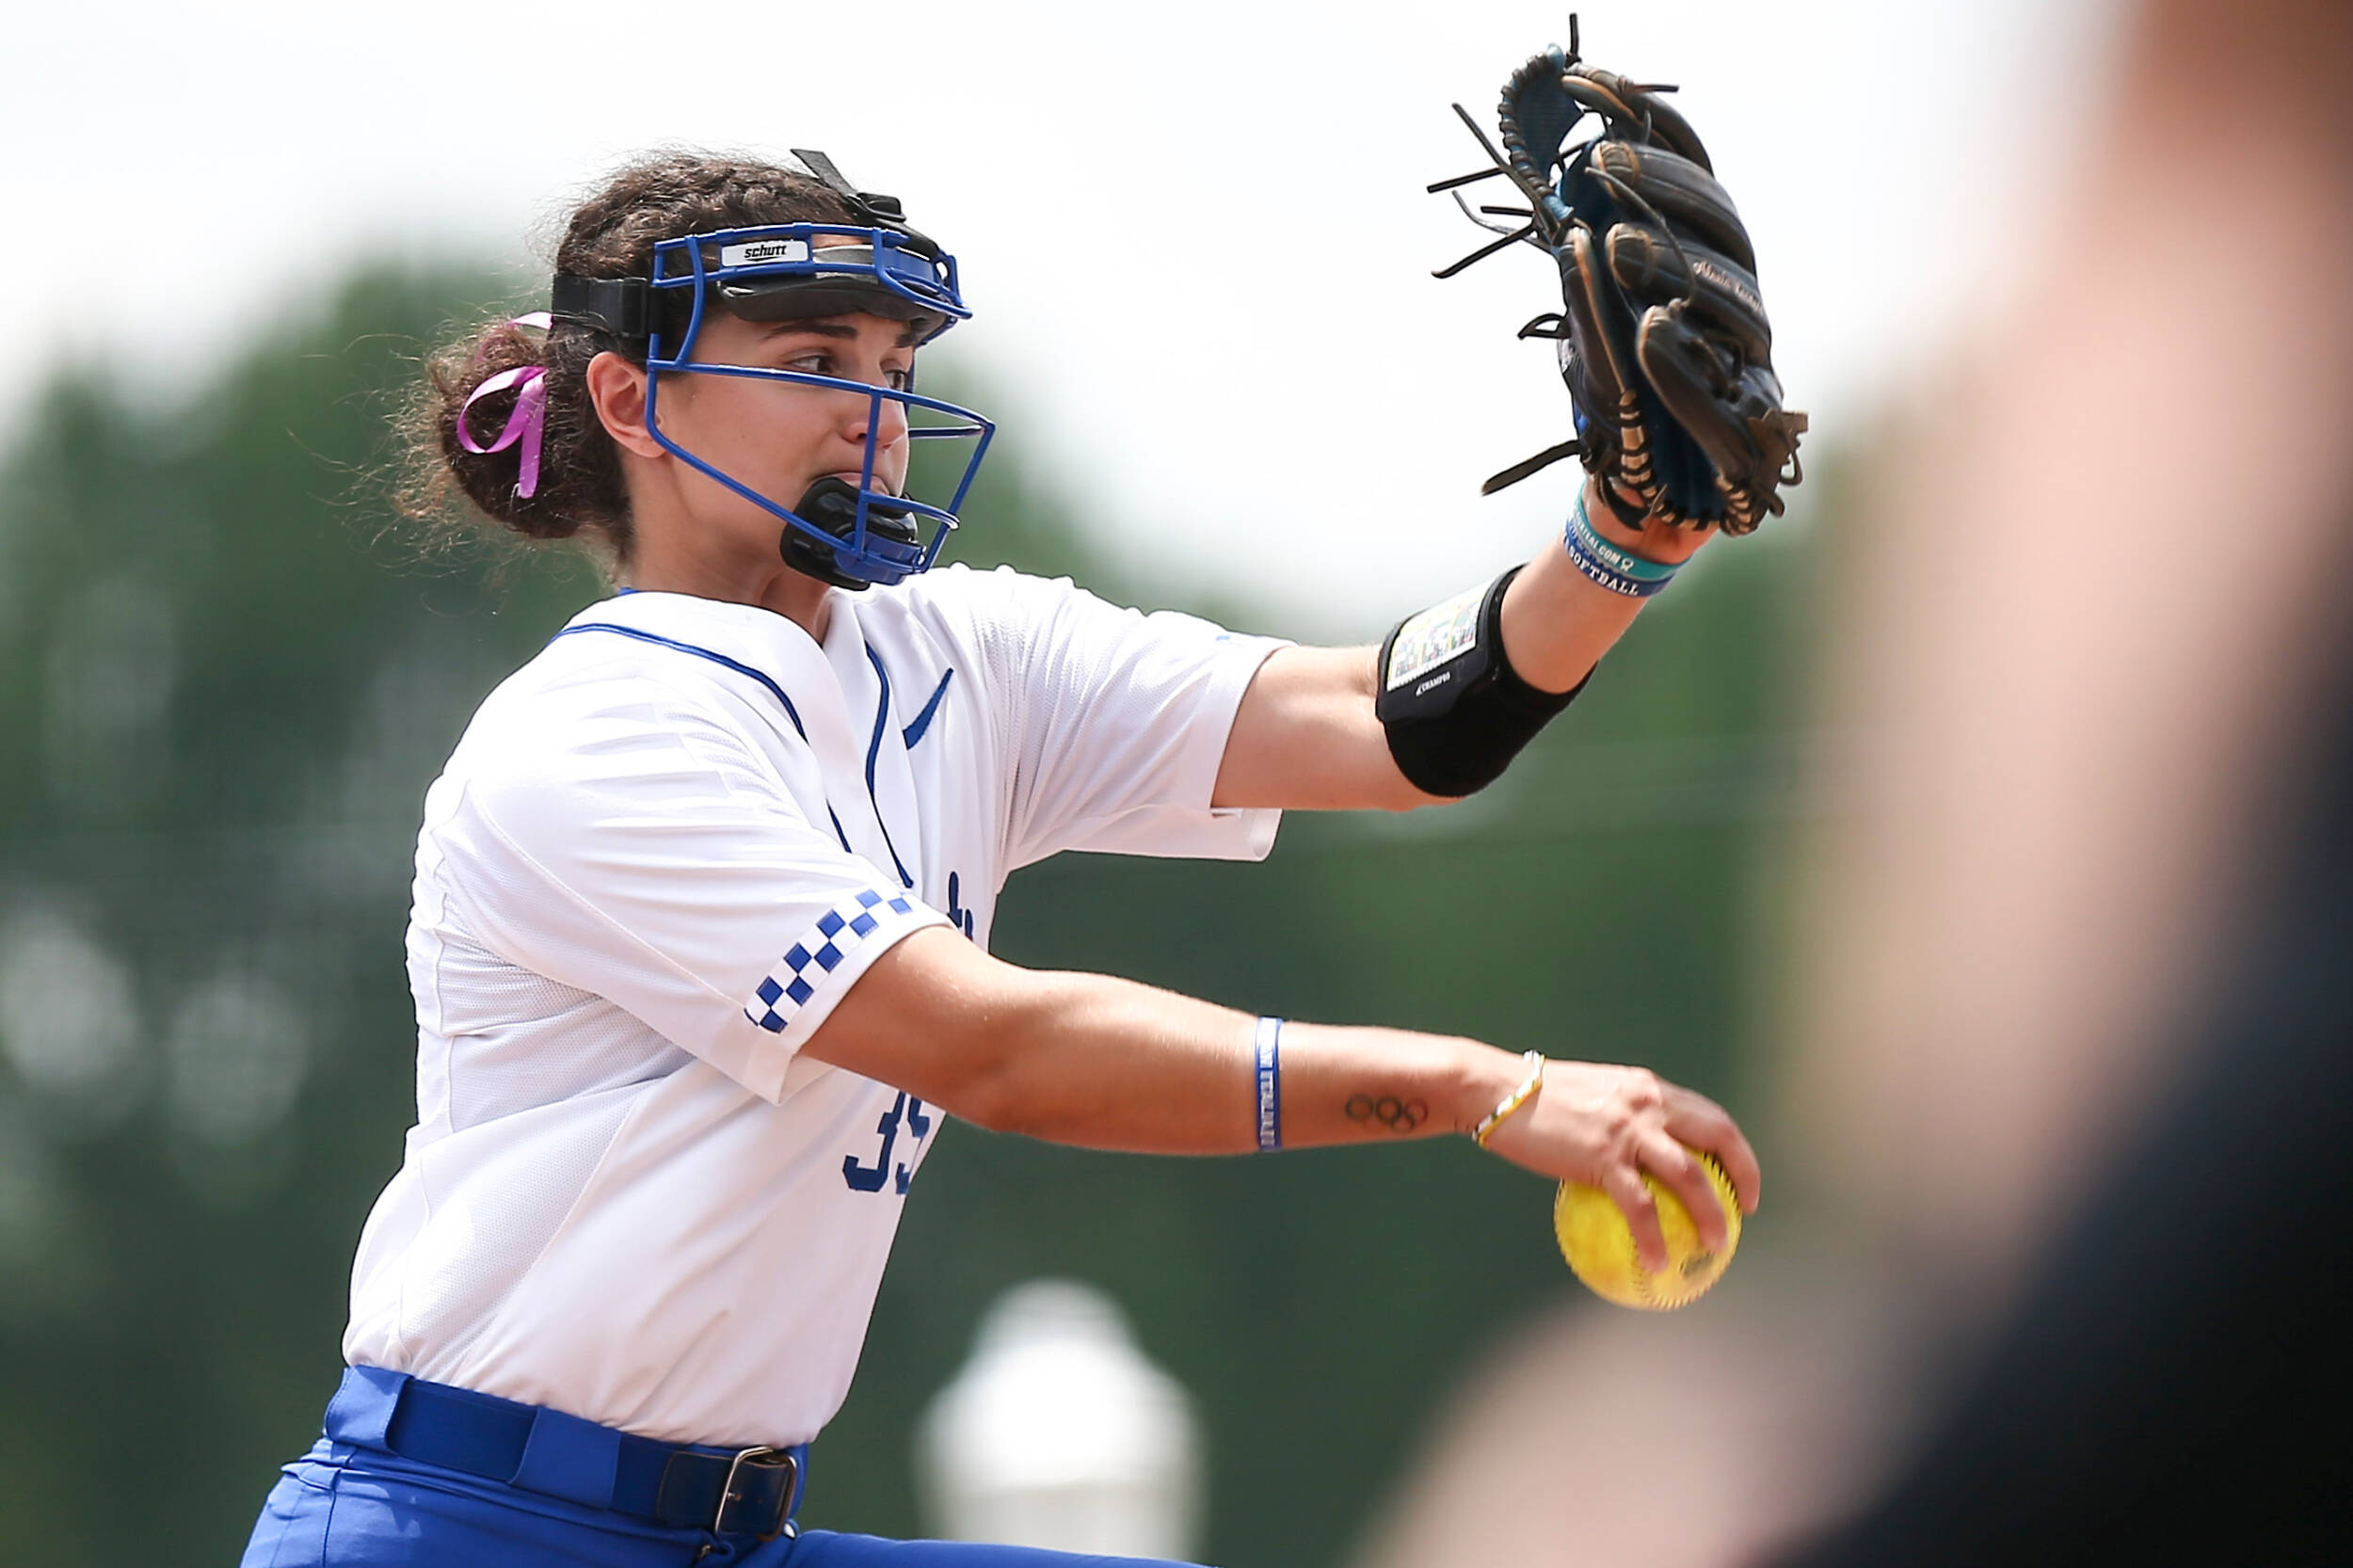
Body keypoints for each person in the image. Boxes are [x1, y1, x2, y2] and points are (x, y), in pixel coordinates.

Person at [239, 149, 1760, 1568]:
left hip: (725, 1530)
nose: (875, 407)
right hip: (466, 1525)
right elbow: (998, 1051)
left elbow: (1396, 722)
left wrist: (1623, 535)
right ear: (632, 402)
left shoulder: (963, 656)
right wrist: (1482, 1088)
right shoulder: (593, 734)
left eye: (894, 367)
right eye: (812, 359)